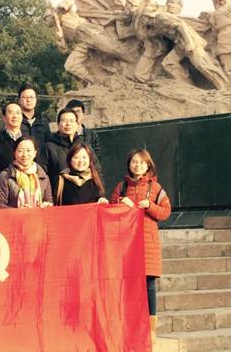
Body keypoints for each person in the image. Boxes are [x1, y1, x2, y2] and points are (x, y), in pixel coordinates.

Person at [109, 149, 171, 344]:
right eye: (134, 162)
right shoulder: (122, 186)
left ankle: (150, 330)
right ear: (129, 164)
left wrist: (149, 206)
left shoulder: (156, 188)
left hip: (147, 243)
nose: (137, 165)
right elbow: (110, 208)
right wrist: (121, 202)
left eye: (142, 162)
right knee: (127, 285)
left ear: (148, 165)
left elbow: (166, 212)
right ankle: (129, 327)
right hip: (125, 243)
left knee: (148, 285)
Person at [0, 136, 53, 209]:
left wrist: (46, 205)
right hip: (14, 216)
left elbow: (49, 201)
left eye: (28, 150)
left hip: (38, 216)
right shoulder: (5, 175)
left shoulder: (43, 176)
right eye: (20, 151)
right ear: (14, 153)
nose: (25, 155)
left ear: (35, 153)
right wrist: (18, 211)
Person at [38, 108, 82, 188]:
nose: (68, 124)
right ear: (58, 124)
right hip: (58, 192)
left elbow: (96, 171)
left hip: (84, 192)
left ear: (77, 125)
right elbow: (41, 176)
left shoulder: (84, 146)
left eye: (71, 121)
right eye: (64, 120)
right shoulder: (48, 147)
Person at [65, 99, 102, 167]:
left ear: (83, 114)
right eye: (73, 112)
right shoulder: (63, 136)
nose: (76, 115)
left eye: (78, 111)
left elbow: (97, 159)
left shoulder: (92, 135)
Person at [18, 84, 51, 150]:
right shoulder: (16, 120)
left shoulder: (43, 122)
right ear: (19, 100)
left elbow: (48, 145)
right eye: (24, 97)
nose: (28, 100)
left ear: (36, 100)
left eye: (31, 97)